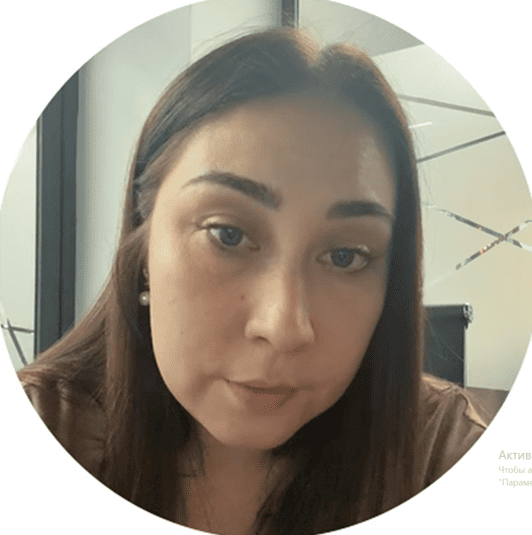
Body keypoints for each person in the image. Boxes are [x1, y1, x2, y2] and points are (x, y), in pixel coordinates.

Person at [18, 28, 487, 534]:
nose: (284, 328)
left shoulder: (444, 457)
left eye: (345, 256)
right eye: (228, 234)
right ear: (144, 242)